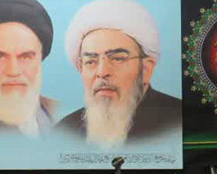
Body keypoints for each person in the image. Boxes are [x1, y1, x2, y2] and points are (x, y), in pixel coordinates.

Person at [58, 0, 182, 148]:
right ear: (80, 67)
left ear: (146, 69)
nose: (102, 72)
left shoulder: (179, 122)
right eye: (90, 61)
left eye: (117, 59)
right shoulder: (65, 130)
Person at [0, 0, 57, 137]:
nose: (13, 71)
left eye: (25, 57)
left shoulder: (63, 117)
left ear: (40, 58)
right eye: (0, 57)